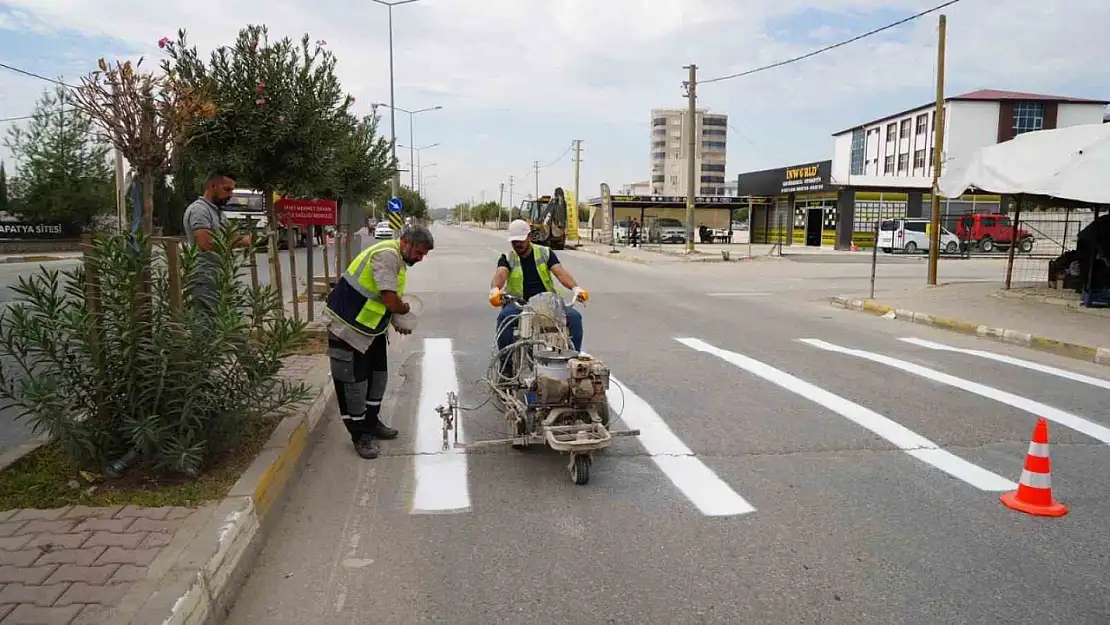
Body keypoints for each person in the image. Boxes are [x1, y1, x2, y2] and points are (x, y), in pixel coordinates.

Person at [324, 225, 435, 459]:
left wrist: (395, 321)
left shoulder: (399, 260)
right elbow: (389, 297)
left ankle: (372, 423)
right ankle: (360, 434)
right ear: (405, 242)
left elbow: (383, 299)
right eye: (419, 252)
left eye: (424, 254)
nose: (420, 258)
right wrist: (403, 311)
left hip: (370, 328)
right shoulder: (387, 255)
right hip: (347, 326)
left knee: (378, 378)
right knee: (353, 384)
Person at [488, 219, 589, 375]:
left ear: (529, 237)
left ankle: (571, 362)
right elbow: (501, 273)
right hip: (518, 304)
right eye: (514, 242)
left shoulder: (545, 253)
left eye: (521, 241)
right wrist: (495, 290)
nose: (518, 245)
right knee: (504, 319)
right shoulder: (508, 258)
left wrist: (576, 288)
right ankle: (506, 367)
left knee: (575, 318)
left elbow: (560, 273)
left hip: (546, 303)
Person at [182, 171, 254, 312]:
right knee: (206, 323)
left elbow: (229, 236)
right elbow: (206, 244)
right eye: (227, 189)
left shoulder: (218, 212)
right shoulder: (199, 210)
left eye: (232, 190)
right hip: (205, 278)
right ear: (212, 186)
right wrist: (242, 241)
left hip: (219, 277)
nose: (230, 195)